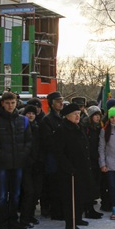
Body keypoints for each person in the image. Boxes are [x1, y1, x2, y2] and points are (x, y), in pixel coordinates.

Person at [0, 92, 33, 229]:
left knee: (16, 194)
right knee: (1, 195)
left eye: (12, 103)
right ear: (2, 104)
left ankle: (13, 220)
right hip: (1, 165)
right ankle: (2, 224)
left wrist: (22, 155)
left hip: (18, 164)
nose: (10, 106)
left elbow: (29, 141)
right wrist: (2, 156)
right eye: (7, 103)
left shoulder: (23, 120)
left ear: (16, 103)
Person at [53, 103, 94, 229]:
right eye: (74, 114)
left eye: (78, 114)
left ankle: (78, 217)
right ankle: (70, 222)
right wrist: (67, 167)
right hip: (69, 169)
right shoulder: (62, 129)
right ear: (67, 116)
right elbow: (58, 152)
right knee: (70, 197)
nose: (77, 116)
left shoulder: (79, 126)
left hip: (82, 167)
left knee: (80, 194)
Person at [39, 91, 65, 220]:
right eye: (57, 101)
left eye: (61, 100)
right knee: (52, 184)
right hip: (51, 157)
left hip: (61, 156)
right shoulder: (47, 120)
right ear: (51, 103)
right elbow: (48, 141)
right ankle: (51, 209)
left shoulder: (63, 117)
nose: (61, 103)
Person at [83, 106, 104, 218]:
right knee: (88, 185)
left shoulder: (99, 127)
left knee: (94, 184)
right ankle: (88, 209)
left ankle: (90, 208)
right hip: (88, 160)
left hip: (96, 159)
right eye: (95, 115)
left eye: (99, 115)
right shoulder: (86, 127)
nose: (97, 117)